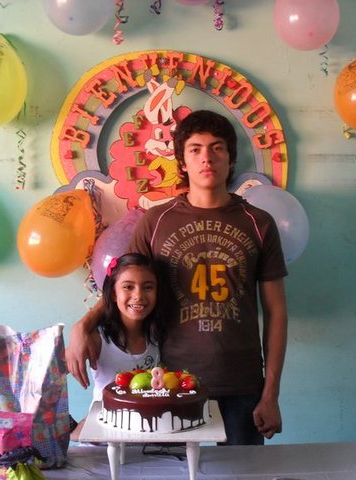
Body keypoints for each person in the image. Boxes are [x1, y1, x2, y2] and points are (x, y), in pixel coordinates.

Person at [67, 110, 289, 445]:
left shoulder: (258, 223)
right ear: (182, 162)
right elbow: (124, 287)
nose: (207, 158)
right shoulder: (156, 221)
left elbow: (276, 312)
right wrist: (83, 326)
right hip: (167, 381)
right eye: (195, 149)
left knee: (244, 470)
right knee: (170, 470)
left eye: (217, 148)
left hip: (241, 383)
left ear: (231, 158)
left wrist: (271, 394)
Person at [70, 252, 167, 441]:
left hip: (141, 444)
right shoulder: (98, 339)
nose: (138, 295)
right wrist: (70, 429)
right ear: (114, 293)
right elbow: (50, 375)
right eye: (128, 287)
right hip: (101, 446)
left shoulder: (156, 337)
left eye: (148, 287)